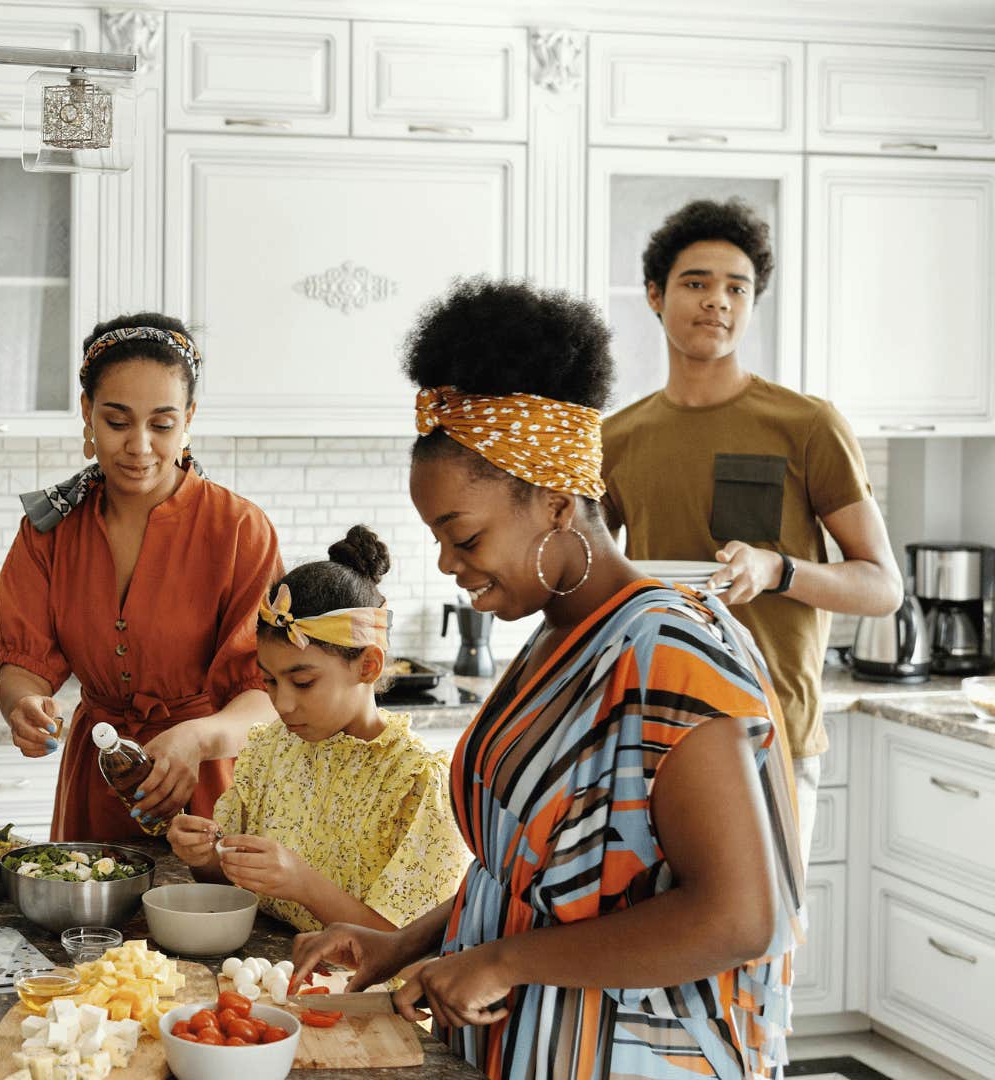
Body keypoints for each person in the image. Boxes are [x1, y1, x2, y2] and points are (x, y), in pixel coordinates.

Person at [293, 279, 804, 1078]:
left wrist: (506, 963)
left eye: (461, 533)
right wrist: (407, 943)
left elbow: (738, 917)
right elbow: (531, 877)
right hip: (522, 1049)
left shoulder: (669, 654)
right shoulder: (555, 638)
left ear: (558, 505)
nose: (447, 563)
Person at [604, 198, 900, 851]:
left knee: (764, 947)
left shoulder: (806, 424)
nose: (718, 301)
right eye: (696, 283)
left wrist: (778, 570)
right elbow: (584, 579)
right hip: (654, 733)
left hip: (770, 733)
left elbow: (882, 587)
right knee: (653, 947)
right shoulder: (617, 439)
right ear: (654, 296)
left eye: (736, 287)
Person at [0, 314, 281, 842]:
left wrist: (196, 740)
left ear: (189, 418)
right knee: (88, 922)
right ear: (87, 413)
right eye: (118, 421)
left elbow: (266, 694)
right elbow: (23, 664)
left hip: (211, 785)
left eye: (162, 424)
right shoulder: (48, 533)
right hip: (95, 781)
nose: (140, 446)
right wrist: (24, 706)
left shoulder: (240, 530)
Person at [167, 526, 468, 934]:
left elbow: (403, 945)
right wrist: (204, 857)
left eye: (303, 682)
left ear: (368, 666)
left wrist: (302, 883)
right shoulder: (269, 750)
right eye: (269, 681)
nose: (282, 704)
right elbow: (232, 885)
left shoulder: (417, 784)